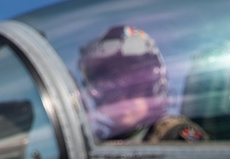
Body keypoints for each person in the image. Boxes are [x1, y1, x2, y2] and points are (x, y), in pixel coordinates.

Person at [77, 25, 207, 144]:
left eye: (131, 87)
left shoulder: (173, 136)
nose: (120, 99)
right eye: (109, 86)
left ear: (154, 88)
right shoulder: (97, 143)